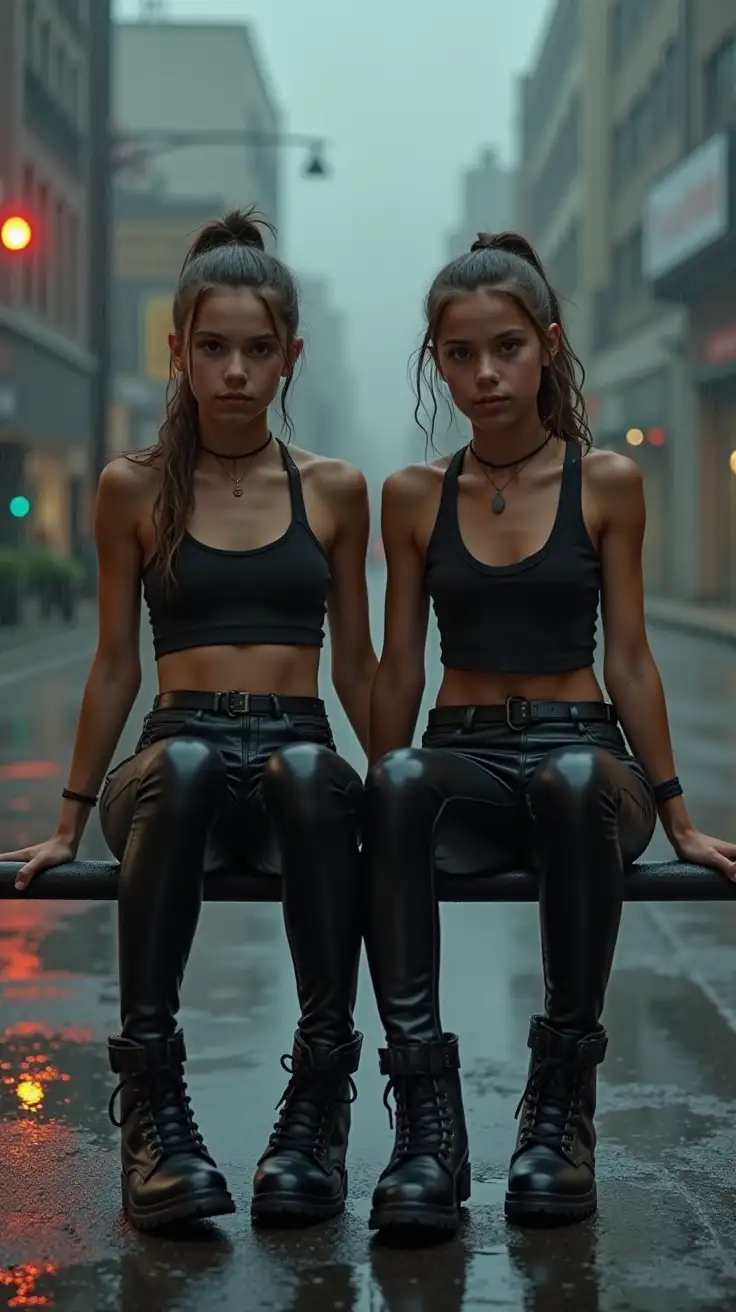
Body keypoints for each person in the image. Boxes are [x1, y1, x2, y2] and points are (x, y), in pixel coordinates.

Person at [0, 210, 376, 1233]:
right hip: (174, 760)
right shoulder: (132, 487)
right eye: (212, 348)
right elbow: (116, 663)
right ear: (177, 349)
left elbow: (356, 669)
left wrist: (398, 787)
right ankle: (156, 1115)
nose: (235, 372)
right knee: (190, 766)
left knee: (309, 777)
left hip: (296, 748)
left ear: (290, 356)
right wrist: (71, 817)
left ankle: (315, 1109)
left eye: (258, 350)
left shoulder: (335, 491)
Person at [362, 232, 736, 1236]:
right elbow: (400, 668)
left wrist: (679, 815)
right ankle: (427, 1125)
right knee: (399, 785)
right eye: (459, 353)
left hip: (586, 758)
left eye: (507, 348)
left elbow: (631, 660)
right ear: (435, 361)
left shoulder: (603, 481)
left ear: (547, 345)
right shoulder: (412, 495)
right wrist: (374, 794)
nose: (484, 374)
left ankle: (558, 1106)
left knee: (572, 780)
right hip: (467, 757)